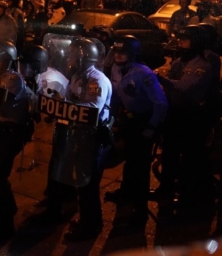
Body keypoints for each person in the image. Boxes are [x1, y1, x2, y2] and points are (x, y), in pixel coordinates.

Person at [104, 36, 168, 229]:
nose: (118, 56)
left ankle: (140, 213)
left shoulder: (143, 73)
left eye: (123, 53)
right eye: (116, 52)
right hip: (128, 119)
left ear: (132, 55)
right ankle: (126, 192)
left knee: (140, 168)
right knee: (129, 160)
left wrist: (151, 127)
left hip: (145, 121)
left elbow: (160, 103)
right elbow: (116, 95)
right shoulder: (116, 68)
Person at [156, 25, 215, 205]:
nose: (180, 43)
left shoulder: (202, 66)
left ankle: (192, 195)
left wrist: (159, 78)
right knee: (169, 153)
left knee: (191, 155)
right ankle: (166, 188)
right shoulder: (178, 62)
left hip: (191, 117)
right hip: (174, 114)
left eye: (185, 40)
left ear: (196, 42)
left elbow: (184, 86)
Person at [61, 38, 112, 241]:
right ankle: (87, 221)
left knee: (88, 184)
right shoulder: (77, 76)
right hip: (79, 135)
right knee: (82, 182)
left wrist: (66, 107)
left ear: (83, 56)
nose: (69, 57)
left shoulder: (96, 80)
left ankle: (90, 227)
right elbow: (67, 99)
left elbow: (92, 110)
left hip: (93, 137)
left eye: (73, 54)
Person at [0, 42, 33, 237]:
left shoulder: (13, 78)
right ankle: (3, 207)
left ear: (5, 60)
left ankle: (5, 223)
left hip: (11, 131)